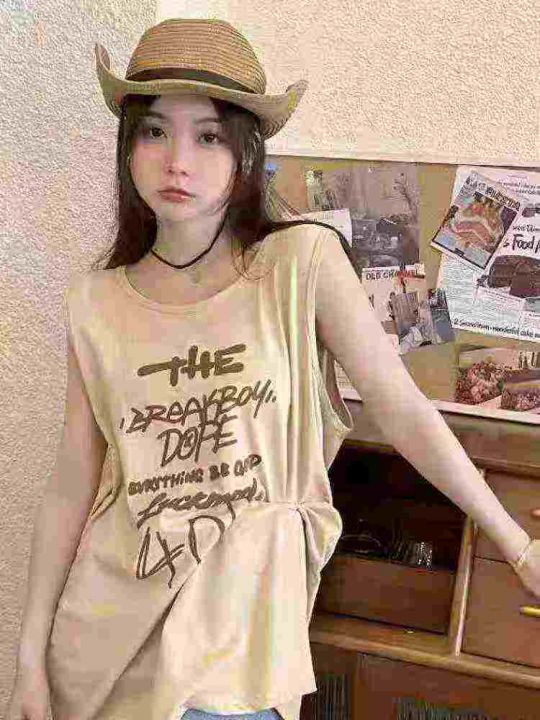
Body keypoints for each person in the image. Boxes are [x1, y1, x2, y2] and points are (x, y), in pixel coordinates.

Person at [8, 17, 540, 720]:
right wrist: (28, 661)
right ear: (128, 145)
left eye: (209, 136)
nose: (177, 161)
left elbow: (405, 412)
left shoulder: (299, 264)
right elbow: (72, 484)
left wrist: (518, 546)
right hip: (105, 642)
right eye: (154, 130)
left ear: (246, 152)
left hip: (239, 642)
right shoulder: (96, 302)